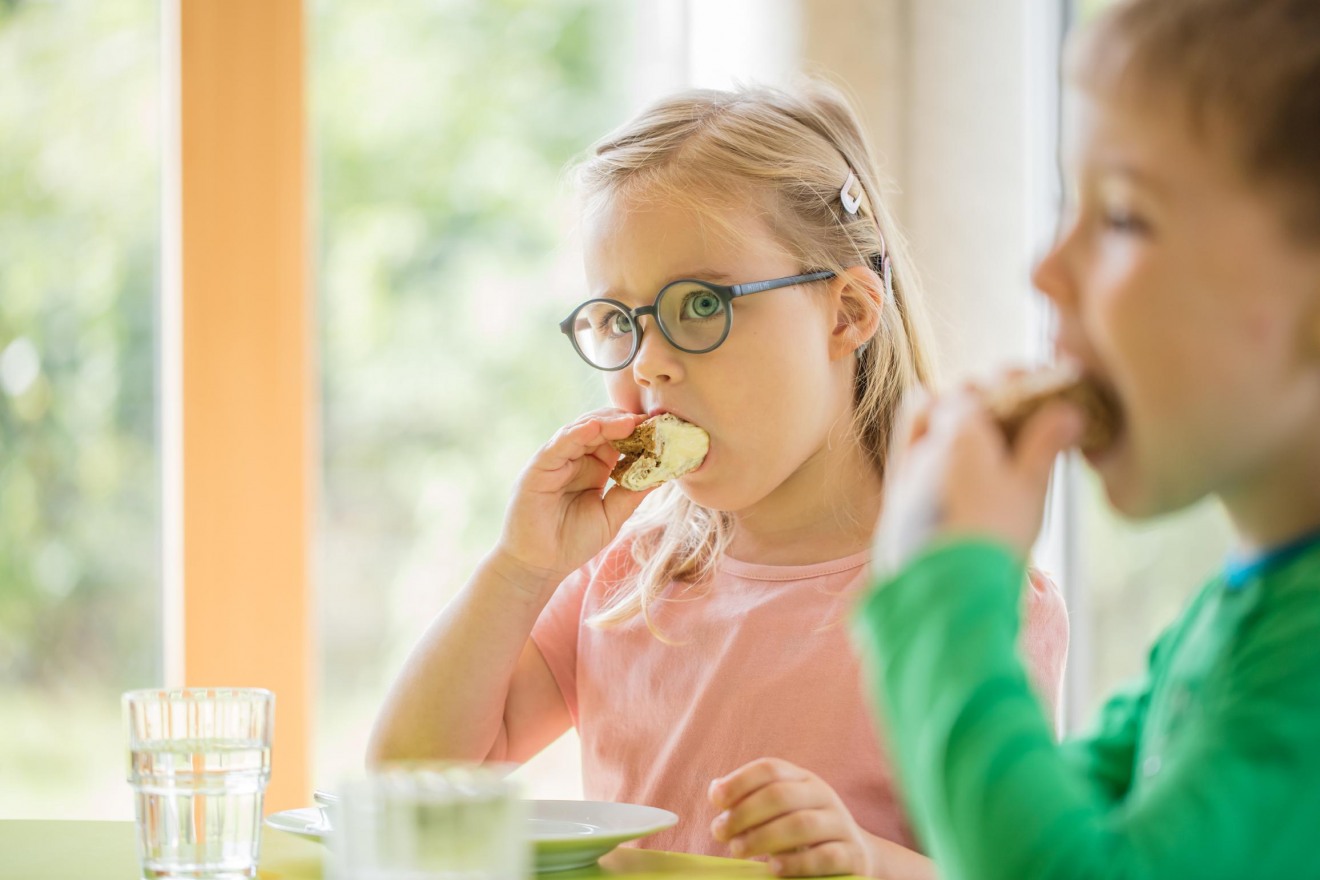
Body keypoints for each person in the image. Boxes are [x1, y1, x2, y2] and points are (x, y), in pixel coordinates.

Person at [368, 81, 1069, 878]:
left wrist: (868, 862)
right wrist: (519, 569)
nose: (648, 363)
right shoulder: (627, 579)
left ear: (845, 315)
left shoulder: (965, 605)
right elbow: (408, 790)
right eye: (618, 321)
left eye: (699, 305)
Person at [855, 1, 1320, 878]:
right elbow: (1059, 820)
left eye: (1123, 217)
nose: (1044, 266)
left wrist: (942, 592)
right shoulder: (1239, 616)